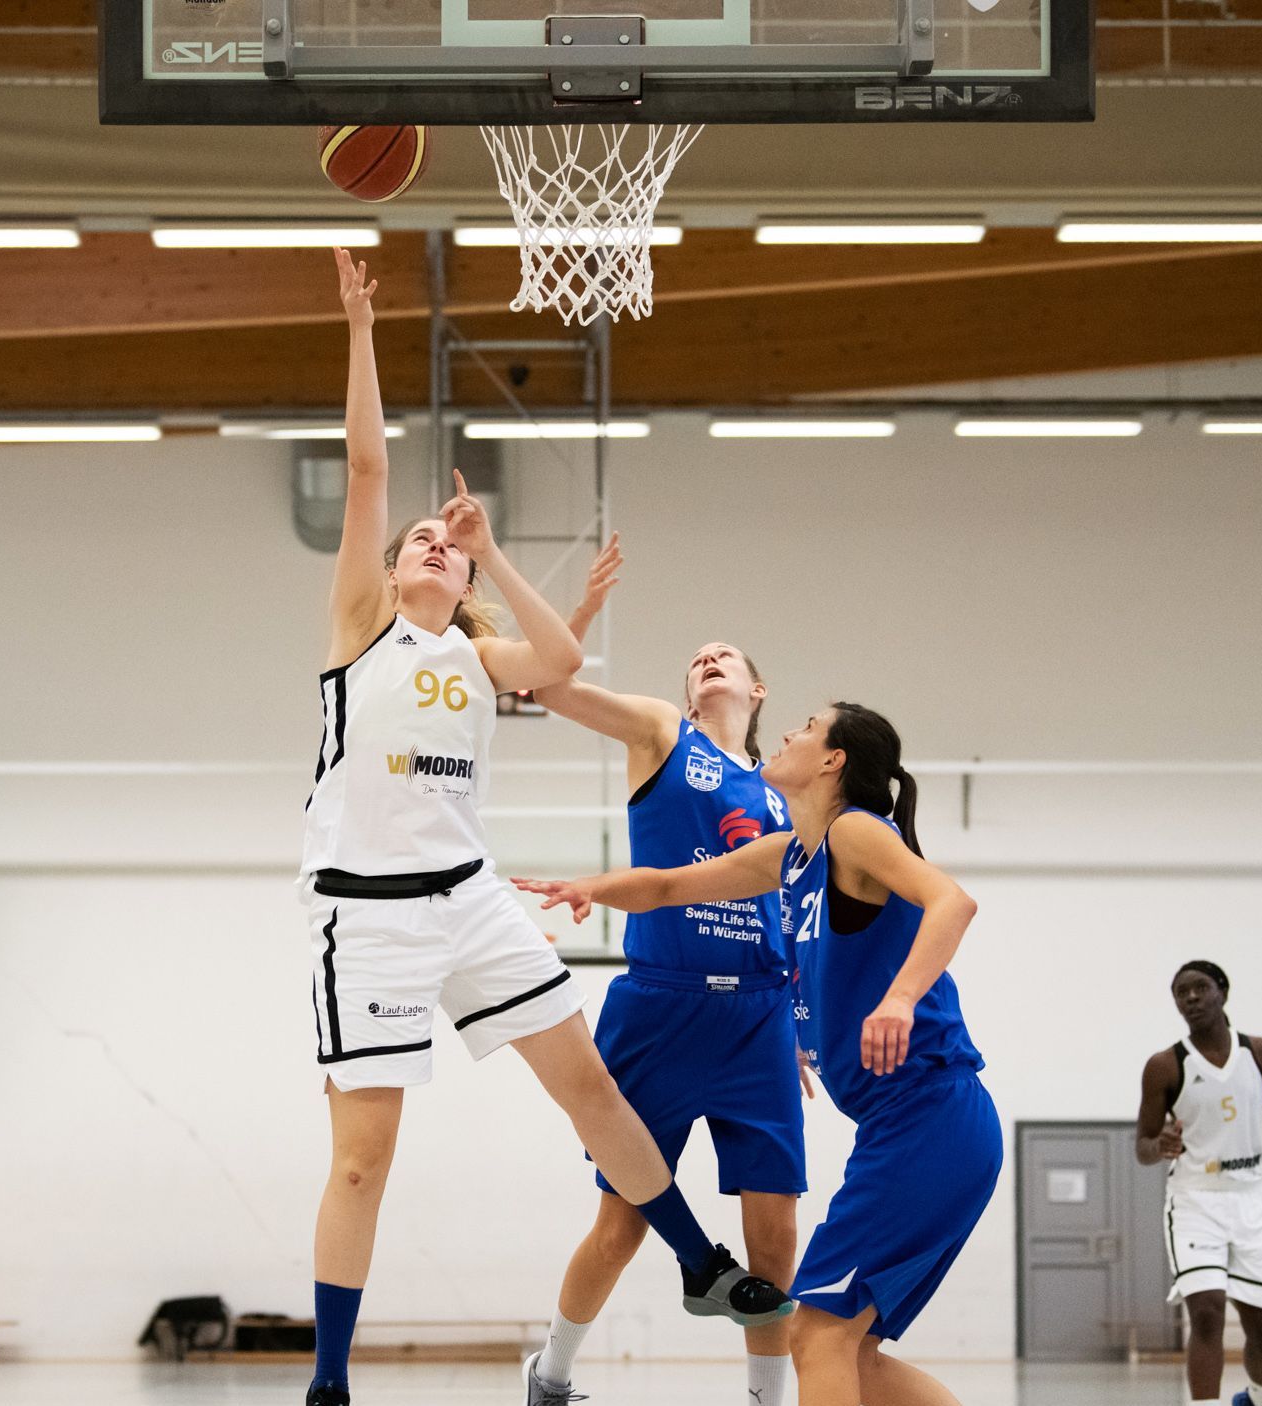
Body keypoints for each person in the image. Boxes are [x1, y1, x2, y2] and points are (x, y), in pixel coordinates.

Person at [302, 248, 790, 1406]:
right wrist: (361, 327)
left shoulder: (477, 648)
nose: (428, 539)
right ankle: (329, 1380)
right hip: (363, 918)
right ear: (387, 569)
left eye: (444, 538)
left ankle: (698, 1262)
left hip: (469, 897)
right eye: (416, 536)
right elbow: (369, 462)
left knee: (594, 1093)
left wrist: (492, 549)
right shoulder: (364, 627)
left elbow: (562, 661)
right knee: (363, 1160)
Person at [518, 702, 999, 1406]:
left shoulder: (855, 833)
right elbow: (668, 886)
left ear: (834, 761)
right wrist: (591, 886)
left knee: (817, 1337)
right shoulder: (790, 858)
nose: (789, 734)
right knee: (852, 1357)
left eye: (807, 726)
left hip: (930, 1117)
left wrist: (899, 999)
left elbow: (951, 901)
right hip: (915, 1129)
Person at [522, 543, 803, 1406]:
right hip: (660, 1005)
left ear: (757, 692)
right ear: (690, 693)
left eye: (727, 657)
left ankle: (765, 1394)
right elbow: (548, 688)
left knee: (776, 1228)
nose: (708, 660)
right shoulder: (661, 731)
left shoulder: (789, 796)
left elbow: (793, 919)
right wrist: (581, 612)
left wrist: (798, 1028)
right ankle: (553, 1375)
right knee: (621, 1223)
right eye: (697, 660)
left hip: (759, 1016)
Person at [1134, 960, 1262, 1406]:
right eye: (1181, 992)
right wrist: (1157, 1145)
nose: (1192, 998)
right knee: (1206, 1313)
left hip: (1253, 1199)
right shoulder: (1164, 1066)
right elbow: (1141, 1145)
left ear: (1222, 991)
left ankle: (1258, 1399)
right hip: (1195, 1200)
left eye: (1200, 988)